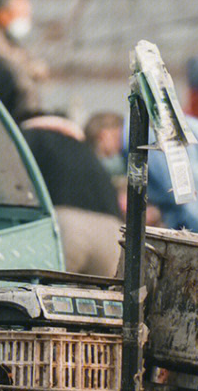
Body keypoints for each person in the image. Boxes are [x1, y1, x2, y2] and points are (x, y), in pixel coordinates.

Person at [19, 111, 124, 276]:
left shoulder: (30, 136)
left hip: (68, 226)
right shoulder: (83, 149)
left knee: (51, 292)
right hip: (112, 232)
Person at [0, 0, 49, 103]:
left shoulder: (11, 41)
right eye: (22, 14)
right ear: (1, 15)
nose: (26, 19)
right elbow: (15, 67)